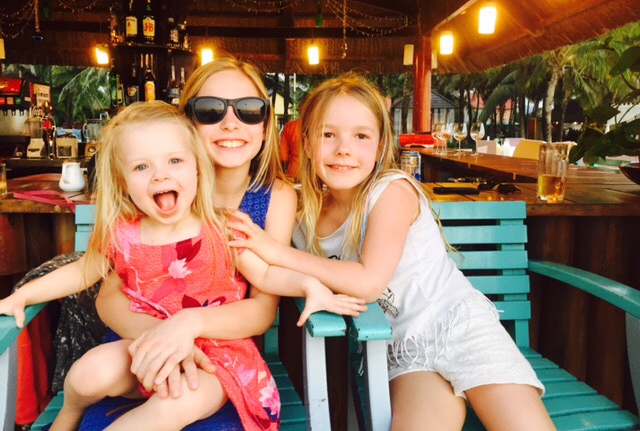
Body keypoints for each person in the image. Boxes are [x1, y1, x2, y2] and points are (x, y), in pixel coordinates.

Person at [0, 101, 365, 431]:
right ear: (124, 182)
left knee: (177, 402)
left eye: (175, 161)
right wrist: (23, 295)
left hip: (214, 361)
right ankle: (69, 416)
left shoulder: (222, 228)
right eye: (142, 166)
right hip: (146, 346)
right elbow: (81, 271)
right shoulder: (122, 234)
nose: (160, 175)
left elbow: (266, 274)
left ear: (197, 169)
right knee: (85, 373)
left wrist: (309, 285)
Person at [228, 74, 556, 430]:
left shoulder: (391, 192)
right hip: (403, 351)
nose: (343, 149)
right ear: (306, 143)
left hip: (460, 328)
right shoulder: (303, 217)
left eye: (361, 136)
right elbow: (264, 269)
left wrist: (275, 251)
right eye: (328, 134)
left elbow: (368, 282)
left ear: (381, 145)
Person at [89, 57, 305, 428]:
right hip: (137, 349)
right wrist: (165, 339)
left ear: (266, 125)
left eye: (249, 109)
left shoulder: (276, 198)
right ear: (187, 124)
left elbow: (262, 309)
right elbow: (109, 297)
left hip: (222, 360)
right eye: (210, 110)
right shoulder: (154, 191)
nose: (231, 122)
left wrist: (189, 325)